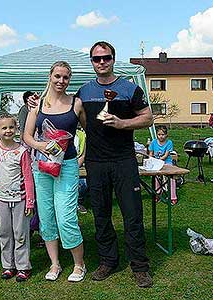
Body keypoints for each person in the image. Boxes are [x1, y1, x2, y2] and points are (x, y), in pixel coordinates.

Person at [76, 41, 154, 288]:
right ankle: (108, 261)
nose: (102, 62)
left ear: (113, 59)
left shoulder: (129, 88)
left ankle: (139, 266)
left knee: (132, 215)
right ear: (92, 62)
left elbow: (148, 118)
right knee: (101, 214)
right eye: (97, 59)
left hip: (123, 161)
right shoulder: (84, 91)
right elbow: (81, 118)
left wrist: (122, 124)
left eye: (106, 58)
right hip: (96, 162)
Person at [24, 61, 87, 282]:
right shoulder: (37, 104)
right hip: (42, 167)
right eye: (57, 76)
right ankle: (55, 264)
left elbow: (90, 132)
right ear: (50, 76)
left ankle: (79, 265)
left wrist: (84, 156)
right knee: (47, 218)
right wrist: (41, 146)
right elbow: (27, 136)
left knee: (66, 217)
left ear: (70, 80)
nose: (61, 81)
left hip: (67, 166)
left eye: (66, 77)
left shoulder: (76, 104)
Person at [0, 111, 35, 282]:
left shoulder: (22, 151)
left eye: (11, 127)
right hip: (2, 199)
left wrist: (30, 201)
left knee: (20, 233)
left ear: (16, 128)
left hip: (20, 199)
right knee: (4, 233)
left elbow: (28, 177)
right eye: (4, 127)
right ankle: (8, 266)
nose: (8, 131)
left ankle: (23, 267)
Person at [148, 125, 177, 204]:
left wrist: (157, 161)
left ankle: (173, 196)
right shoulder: (154, 142)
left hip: (166, 162)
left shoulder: (169, 142)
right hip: (156, 162)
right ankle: (158, 194)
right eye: (159, 134)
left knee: (171, 178)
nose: (161, 136)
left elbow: (166, 155)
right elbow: (151, 153)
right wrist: (151, 160)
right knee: (156, 177)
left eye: (162, 134)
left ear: (166, 135)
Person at [74, 126, 88, 214]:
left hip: (76, 166)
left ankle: (79, 202)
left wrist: (74, 168)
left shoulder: (81, 135)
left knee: (84, 183)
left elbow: (82, 155)